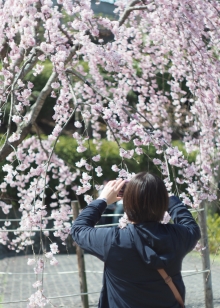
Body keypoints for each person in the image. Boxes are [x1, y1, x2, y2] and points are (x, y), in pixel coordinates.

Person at [71, 172, 201, 308]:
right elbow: (192, 227)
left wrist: (103, 199)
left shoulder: (114, 241)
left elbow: (78, 229)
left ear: (127, 203)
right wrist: (167, 198)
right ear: (163, 203)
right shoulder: (177, 237)